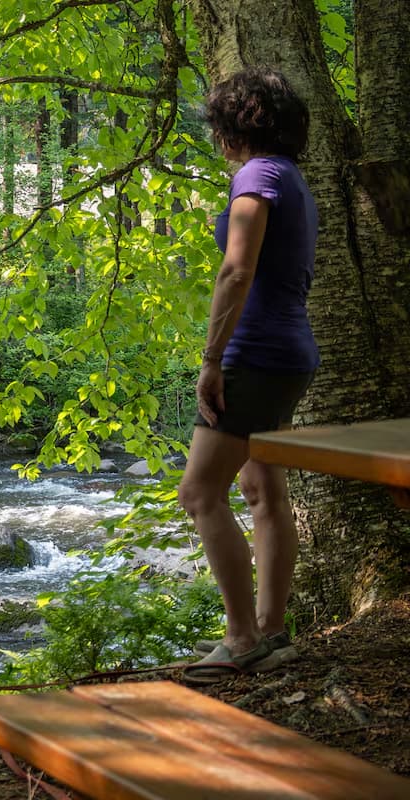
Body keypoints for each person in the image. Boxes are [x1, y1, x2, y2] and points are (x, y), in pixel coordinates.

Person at [177, 67, 318, 684]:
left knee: (201, 492)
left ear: (237, 123)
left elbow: (237, 271)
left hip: (255, 354)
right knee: (264, 491)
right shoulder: (292, 177)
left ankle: (241, 639)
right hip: (290, 351)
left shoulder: (257, 176)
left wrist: (212, 360)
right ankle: (271, 631)